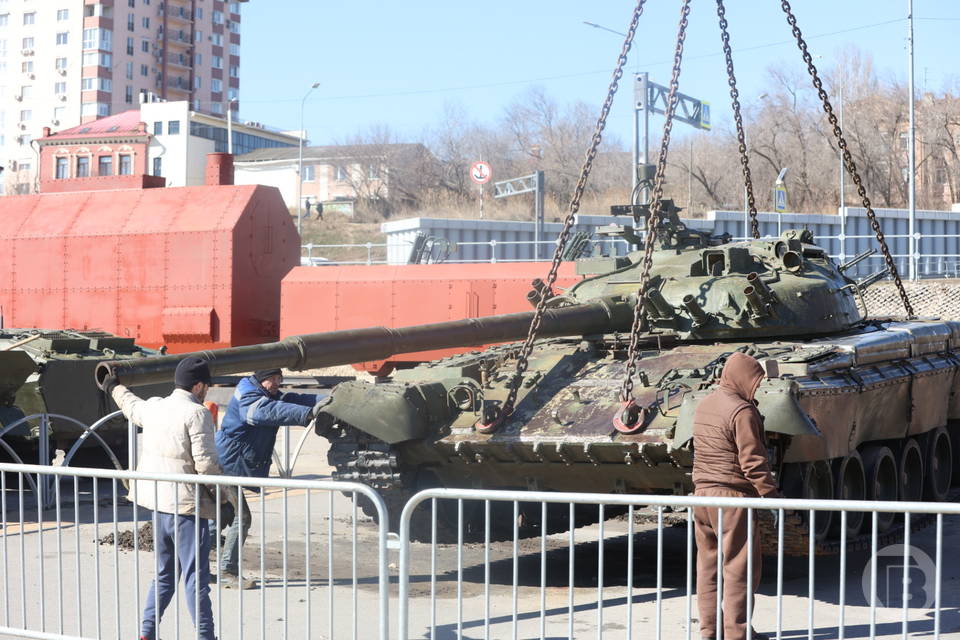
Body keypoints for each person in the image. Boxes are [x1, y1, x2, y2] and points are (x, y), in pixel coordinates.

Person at [103, 357, 227, 640]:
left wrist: (112, 386)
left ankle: (147, 632)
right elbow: (206, 465)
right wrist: (223, 499)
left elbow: (130, 405)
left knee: (164, 575)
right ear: (198, 386)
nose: (206, 390)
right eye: (206, 385)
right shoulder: (197, 414)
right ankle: (206, 636)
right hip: (186, 508)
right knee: (196, 579)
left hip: (159, 507)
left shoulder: (156, 406)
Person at [692, 352, 781, 640]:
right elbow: (753, 462)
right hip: (732, 499)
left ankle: (708, 631)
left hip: (702, 497)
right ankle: (736, 634)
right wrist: (772, 498)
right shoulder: (742, 410)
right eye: (755, 381)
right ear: (742, 378)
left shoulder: (705, 403)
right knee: (738, 569)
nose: (756, 387)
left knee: (708, 568)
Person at [214, 368, 322, 588]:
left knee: (222, 513)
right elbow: (263, 412)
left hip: (234, 463)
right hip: (227, 465)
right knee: (241, 517)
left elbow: (296, 399)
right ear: (261, 379)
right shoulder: (248, 396)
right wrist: (308, 413)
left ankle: (190, 560)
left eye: (279, 379)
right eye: (272, 379)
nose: (277, 383)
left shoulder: (266, 393)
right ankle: (227, 571)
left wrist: (328, 400)